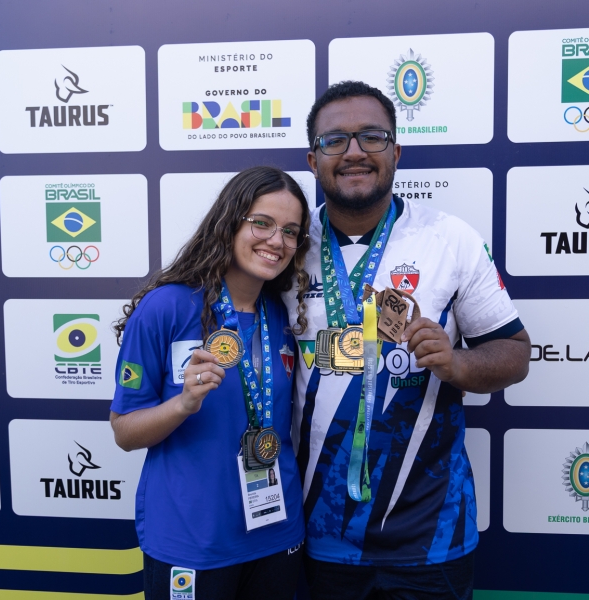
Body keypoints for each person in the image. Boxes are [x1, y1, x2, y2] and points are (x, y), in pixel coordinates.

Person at [282, 81, 531, 600]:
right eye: (335, 140)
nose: (354, 152)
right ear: (312, 159)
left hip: (430, 533)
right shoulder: (285, 249)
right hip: (316, 530)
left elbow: (514, 353)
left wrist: (457, 364)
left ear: (396, 152)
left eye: (371, 137)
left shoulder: (450, 239)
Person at [110, 166, 311, 600]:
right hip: (192, 540)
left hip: (277, 533)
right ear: (229, 221)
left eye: (290, 231)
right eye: (262, 223)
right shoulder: (166, 307)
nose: (277, 241)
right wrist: (182, 404)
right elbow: (125, 432)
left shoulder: (281, 313)